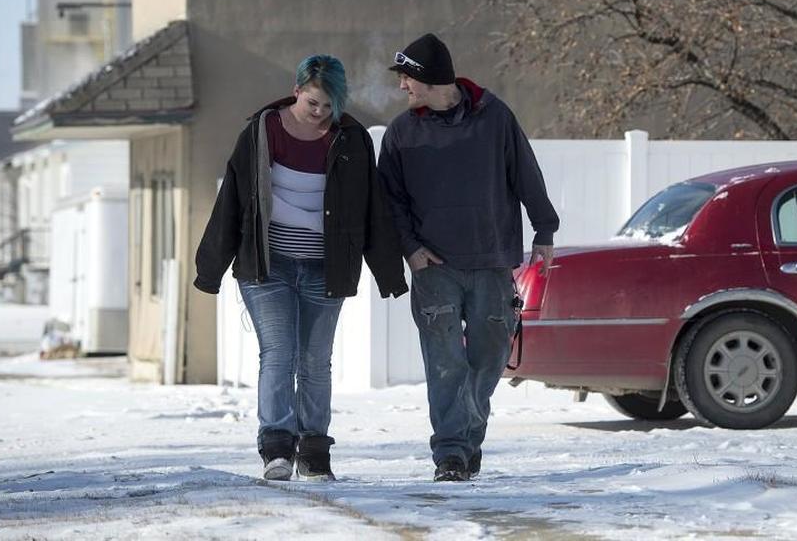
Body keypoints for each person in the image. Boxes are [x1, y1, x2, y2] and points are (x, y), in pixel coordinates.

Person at [194, 54, 407, 482]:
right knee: (279, 354)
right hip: (268, 266)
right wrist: (211, 268)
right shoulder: (260, 132)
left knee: (314, 361)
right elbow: (233, 202)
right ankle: (276, 447)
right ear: (297, 91)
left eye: (330, 106)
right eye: (313, 103)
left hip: (325, 270)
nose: (321, 114)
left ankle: (313, 451)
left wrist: (388, 272)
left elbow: (372, 209)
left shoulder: (351, 139)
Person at [377, 33, 559, 482]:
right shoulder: (402, 133)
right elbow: (389, 201)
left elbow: (525, 172)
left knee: (490, 358)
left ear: (428, 79)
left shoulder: (494, 118)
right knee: (444, 363)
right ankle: (451, 454)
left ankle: (466, 435)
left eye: (407, 77)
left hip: (493, 261)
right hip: (434, 267)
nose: (402, 87)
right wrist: (410, 249)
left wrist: (545, 229)